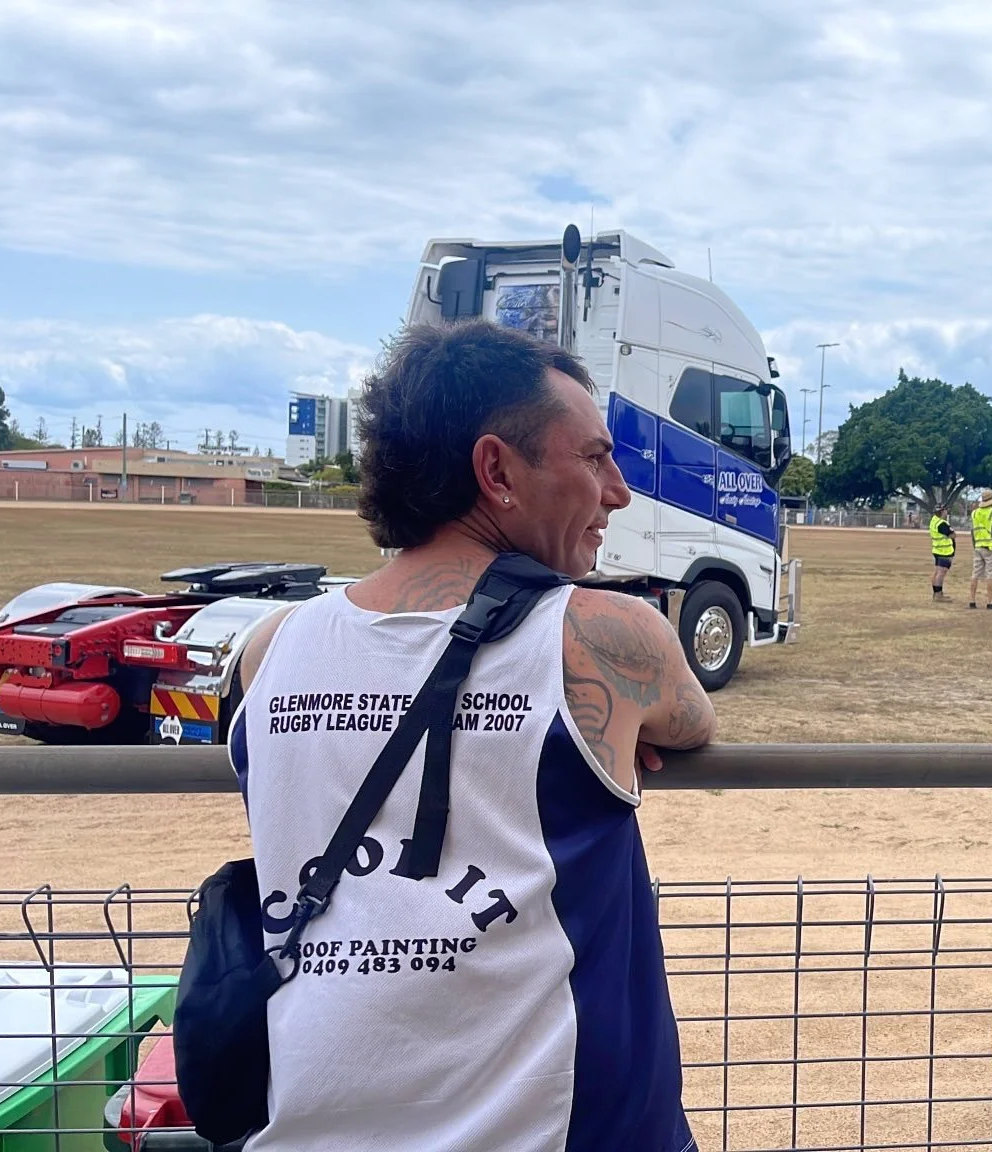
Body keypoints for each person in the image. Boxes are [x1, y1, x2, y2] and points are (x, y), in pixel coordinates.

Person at [230, 320, 716, 1151]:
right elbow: (692, 721)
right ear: (497, 471)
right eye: (595, 457)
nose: (619, 492)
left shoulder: (271, 647)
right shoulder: (604, 634)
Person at [970, 489, 992, 610]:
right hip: (989, 547)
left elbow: (972, 532)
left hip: (978, 546)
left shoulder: (974, 513)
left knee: (975, 574)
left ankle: (972, 601)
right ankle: (990, 601)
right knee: (990, 575)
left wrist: (975, 545)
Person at [929, 505, 957, 601]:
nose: (946, 512)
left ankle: (937, 593)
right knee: (941, 573)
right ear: (942, 512)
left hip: (937, 549)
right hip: (944, 551)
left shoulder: (934, 521)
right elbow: (953, 535)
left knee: (937, 572)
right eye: (945, 510)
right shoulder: (942, 523)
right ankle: (938, 595)